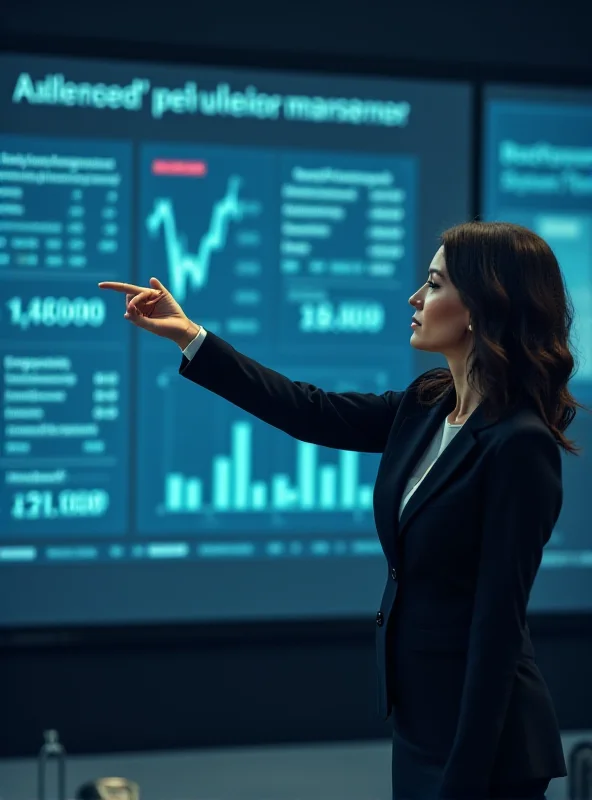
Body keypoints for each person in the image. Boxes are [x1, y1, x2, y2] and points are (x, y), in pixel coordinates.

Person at [99, 220, 586, 800]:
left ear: (481, 306)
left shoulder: (519, 444)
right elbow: (313, 411)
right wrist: (191, 337)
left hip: (484, 746)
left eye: (432, 285)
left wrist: (465, 774)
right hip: (421, 724)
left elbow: (497, 627)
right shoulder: (428, 403)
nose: (414, 298)